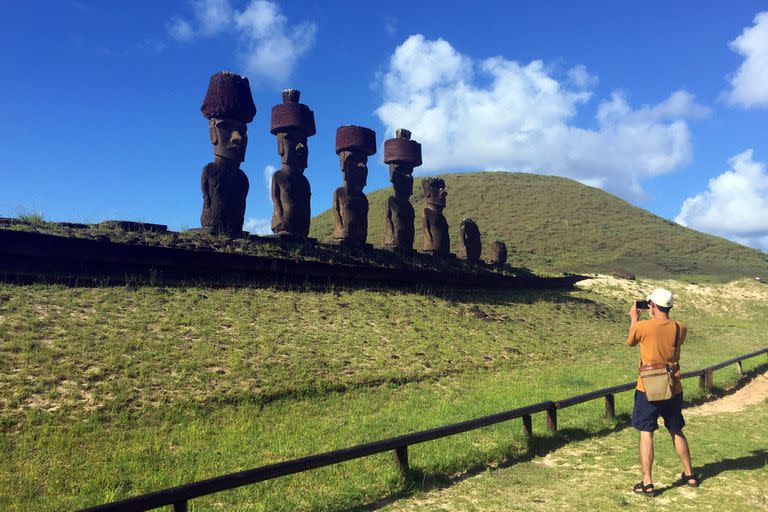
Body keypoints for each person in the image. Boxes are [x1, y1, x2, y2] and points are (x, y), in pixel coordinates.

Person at [627, 288, 700, 496]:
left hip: (647, 387)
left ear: (651, 305)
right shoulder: (681, 328)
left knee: (646, 432)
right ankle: (690, 474)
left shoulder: (642, 326)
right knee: (676, 429)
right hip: (673, 386)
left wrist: (634, 318)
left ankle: (648, 482)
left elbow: (630, 341)